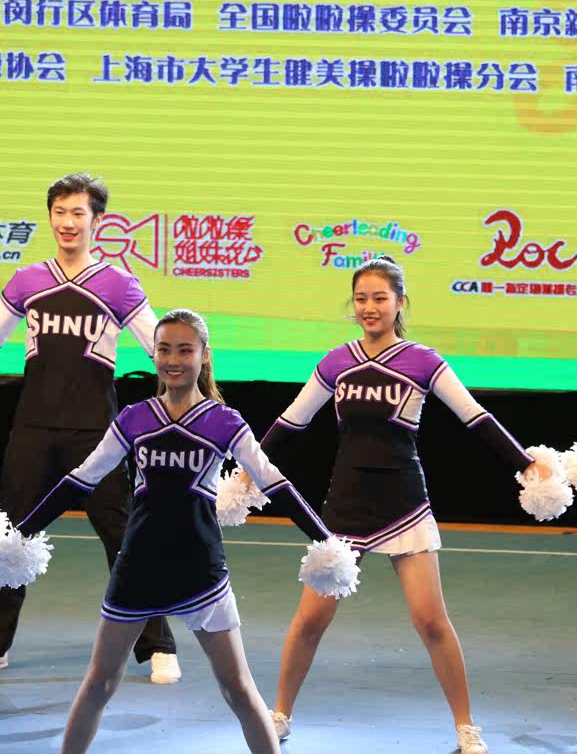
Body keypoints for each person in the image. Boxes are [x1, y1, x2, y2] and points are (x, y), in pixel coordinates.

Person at [14, 308, 337, 754]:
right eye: (164, 349)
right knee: (99, 682)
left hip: (201, 572)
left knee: (239, 690)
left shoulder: (224, 422)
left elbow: (273, 482)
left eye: (185, 350)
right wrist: (19, 535)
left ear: (204, 356)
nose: (173, 360)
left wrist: (325, 541)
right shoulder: (134, 418)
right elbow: (81, 479)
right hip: (137, 571)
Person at [259, 256, 547, 754]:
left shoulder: (422, 361)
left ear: (400, 302)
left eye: (380, 298)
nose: (369, 307)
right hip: (345, 506)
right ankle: (279, 715)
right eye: (361, 299)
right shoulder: (335, 362)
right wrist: (250, 468)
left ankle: (466, 728)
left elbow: (475, 417)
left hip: (404, 504)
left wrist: (524, 463)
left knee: (431, 621)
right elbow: (291, 422)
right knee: (309, 622)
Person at [0, 173, 178, 683]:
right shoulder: (26, 281)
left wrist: (190, 401)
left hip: (97, 435)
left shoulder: (118, 284)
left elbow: (161, 347)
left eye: (78, 213)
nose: (67, 222)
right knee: (10, 539)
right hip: (32, 431)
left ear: (97, 221)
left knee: (124, 538)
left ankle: (158, 645)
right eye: (59, 212)